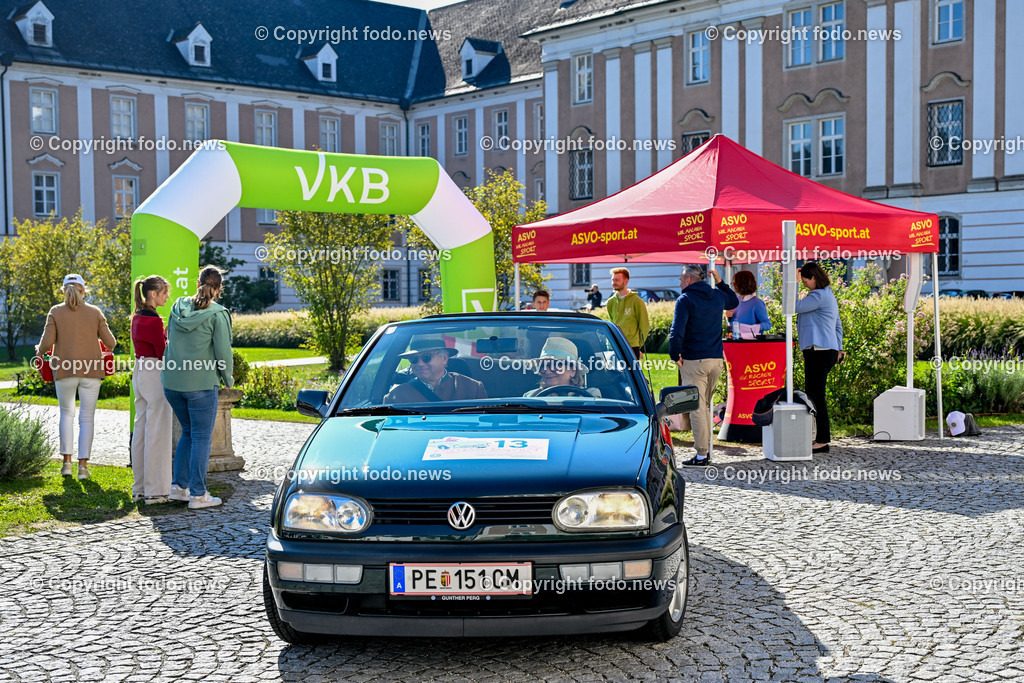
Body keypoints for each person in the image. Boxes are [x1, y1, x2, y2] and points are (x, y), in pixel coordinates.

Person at [161, 266, 234, 510]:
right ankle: (198, 495)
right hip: (200, 384)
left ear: (198, 283)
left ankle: (178, 487)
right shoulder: (218, 313)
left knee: (188, 433)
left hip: (172, 382)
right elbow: (223, 351)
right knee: (201, 437)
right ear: (219, 288)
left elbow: (169, 337)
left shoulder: (177, 306)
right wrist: (228, 379)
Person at [36, 274, 117, 480]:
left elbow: (46, 344)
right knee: (87, 418)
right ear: (84, 291)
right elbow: (111, 342)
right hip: (91, 370)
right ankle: (83, 467)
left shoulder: (55, 312)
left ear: (63, 291)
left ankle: (66, 464)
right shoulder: (95, 312)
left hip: (63, 370)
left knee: (66, 414)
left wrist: (40, 352)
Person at [669, 265, 739, 466]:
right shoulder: (717, 296)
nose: (680, 282)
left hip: (694, 360)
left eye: (681, 278)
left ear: (689, 280)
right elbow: (733, 301)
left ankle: (701, 454)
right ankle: (705, 450)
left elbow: (676, 332)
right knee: (705, 406)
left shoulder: (685, 299)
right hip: (716, 360)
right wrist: (719, 280)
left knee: (697, 408)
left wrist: (675, 355)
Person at [795, 262, 845, 454]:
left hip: (819, 351)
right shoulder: (828, 295)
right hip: (826, 350)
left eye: (805, 280)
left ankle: (823, 440)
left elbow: (792, 306)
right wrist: (839, 348)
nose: (805, 284)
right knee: (815, 395)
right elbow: (837, 325)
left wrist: (793, 282)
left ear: (813, 278)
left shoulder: (817, 296)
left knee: (816, 396)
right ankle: (820, 437)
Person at [131, 275, 172, 505]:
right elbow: (161, 352)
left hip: (139, 370)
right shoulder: (154, 321)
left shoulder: (137, 316)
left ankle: (140, 488)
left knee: (141, 429)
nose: (167, 296)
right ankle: (156, 491)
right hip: (154, 372)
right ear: (153, 294)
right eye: (164, 292)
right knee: (157, 431)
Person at [384, 336, 487, 402]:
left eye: (426, 357)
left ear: (444, 358)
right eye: (414, 359)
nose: (420, 364)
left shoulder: (473, 389)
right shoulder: (395, 397)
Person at [523, 337, 598, 397]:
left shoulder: (591, 395)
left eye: (555, 365)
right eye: (543, 366)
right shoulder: (530, 397)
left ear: (573, 371)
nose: (547, 371)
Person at [606, 267, 649, 359]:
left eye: (617, 280)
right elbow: (611, 323)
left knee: (631, 373)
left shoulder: (637, 301)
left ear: (626, 281)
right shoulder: (610, 302)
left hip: (632, 346)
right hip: (615, 345)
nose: (614, 283)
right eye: (613, 280)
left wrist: (638, 346)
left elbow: (644, 326)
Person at [729, 270, 772, 335]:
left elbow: (767, 325)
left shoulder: (757, 303)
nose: (733, 284)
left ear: (742, 284)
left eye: (735, 282)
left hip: (752, 343)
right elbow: (734, 325)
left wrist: (751, 328)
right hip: (737, 341)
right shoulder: (737, 300)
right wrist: (729, 318)